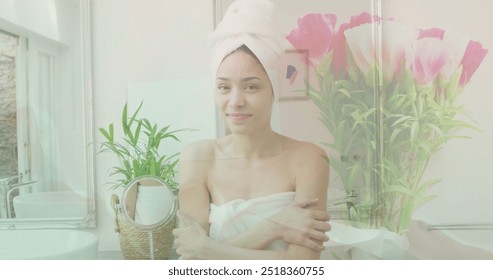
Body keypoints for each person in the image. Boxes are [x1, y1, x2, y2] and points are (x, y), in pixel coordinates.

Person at [172, 0, 330, 259]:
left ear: (273, 91)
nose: (235, 101)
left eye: (251, 86)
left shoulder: (309, 159)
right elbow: (192, 262)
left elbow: (303, 266)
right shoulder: (198, 157)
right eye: (224, 87)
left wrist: (209, 249)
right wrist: (274, 226)